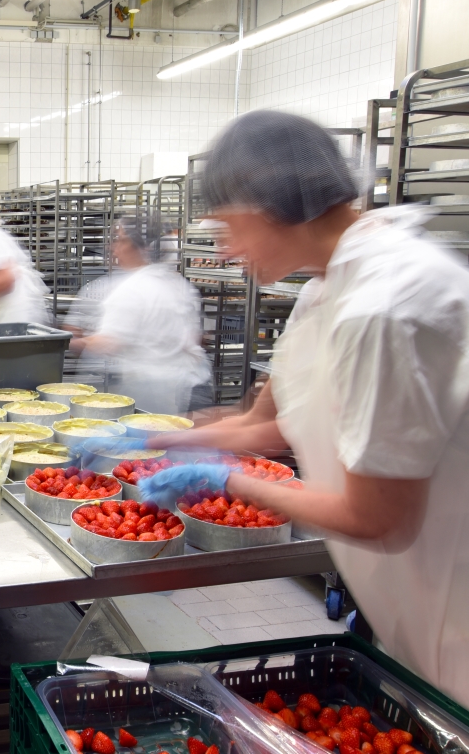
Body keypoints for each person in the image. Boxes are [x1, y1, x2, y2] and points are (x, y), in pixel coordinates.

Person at [140, 110, 469, 706]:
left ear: (271, 203)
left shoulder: (386, 303)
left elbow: (378, 517)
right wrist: (156, 441)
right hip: (409, 609)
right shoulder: (322, 291)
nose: (224, 251)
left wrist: (225, 479)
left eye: (226, 228)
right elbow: (268, 425)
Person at [67, 213, 209, 414]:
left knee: (154, 440)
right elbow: (197, 339)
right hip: (191, 385)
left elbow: (107, 343)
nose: (113, 247)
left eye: (120, 240)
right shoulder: (179, 284)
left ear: (143, 247)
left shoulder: (133, 289)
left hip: (156, 391)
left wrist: (61, 342)